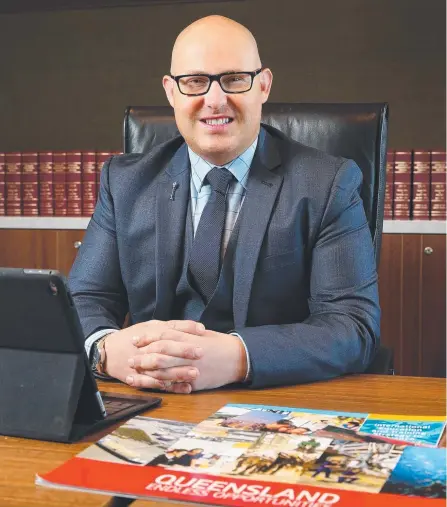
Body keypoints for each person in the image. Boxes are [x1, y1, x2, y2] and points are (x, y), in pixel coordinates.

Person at [69, 15, 380, 394]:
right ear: (171, 92)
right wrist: (103, 349)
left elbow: (352, 326)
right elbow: (85, 300)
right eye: (195, 82)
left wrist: (238, 357)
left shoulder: (328, 183)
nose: (214, 100)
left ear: (263, 86)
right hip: (149, 398)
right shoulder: (124, 182)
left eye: (234, 79)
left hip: (274, 401)